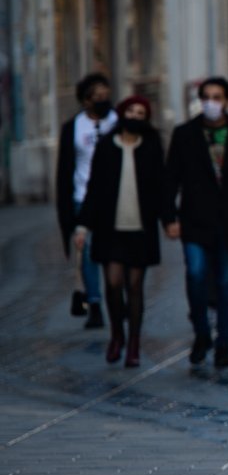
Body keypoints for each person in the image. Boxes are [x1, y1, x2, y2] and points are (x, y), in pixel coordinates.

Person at [165, 77, 228, 376]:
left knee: (225, 281)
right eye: (207, 96)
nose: (212, 102)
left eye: (217, 96)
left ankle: (224, 343)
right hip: (195, 219)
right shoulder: (185, 135)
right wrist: (169, 217)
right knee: (196, 274)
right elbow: (171, 178)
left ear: (227, 101)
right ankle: (201, 332)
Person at [73, 96, 171, 368]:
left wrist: (169, 220)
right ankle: (117, 334)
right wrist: (83, 225)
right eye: (131, 111)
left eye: (141, 113)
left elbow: (161, 187)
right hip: (110, 228)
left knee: (136, 287)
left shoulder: (151, 146)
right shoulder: (106, 146)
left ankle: (135, 343)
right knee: (114, 284)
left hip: (141, 228)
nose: (135, 116)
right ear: (122, 113)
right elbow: (94, 188)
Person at [56, 72, 117, 330]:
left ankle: (118, 299)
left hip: (114, 198)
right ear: (85, 100)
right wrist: (67, 209)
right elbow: (65, 169)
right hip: (82, 197)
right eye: (96, 97)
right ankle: (94, 303)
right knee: (89, 251)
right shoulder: (74, 128)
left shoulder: (118, 121)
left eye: (106, 96)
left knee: (115, 252)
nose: (103, 101)